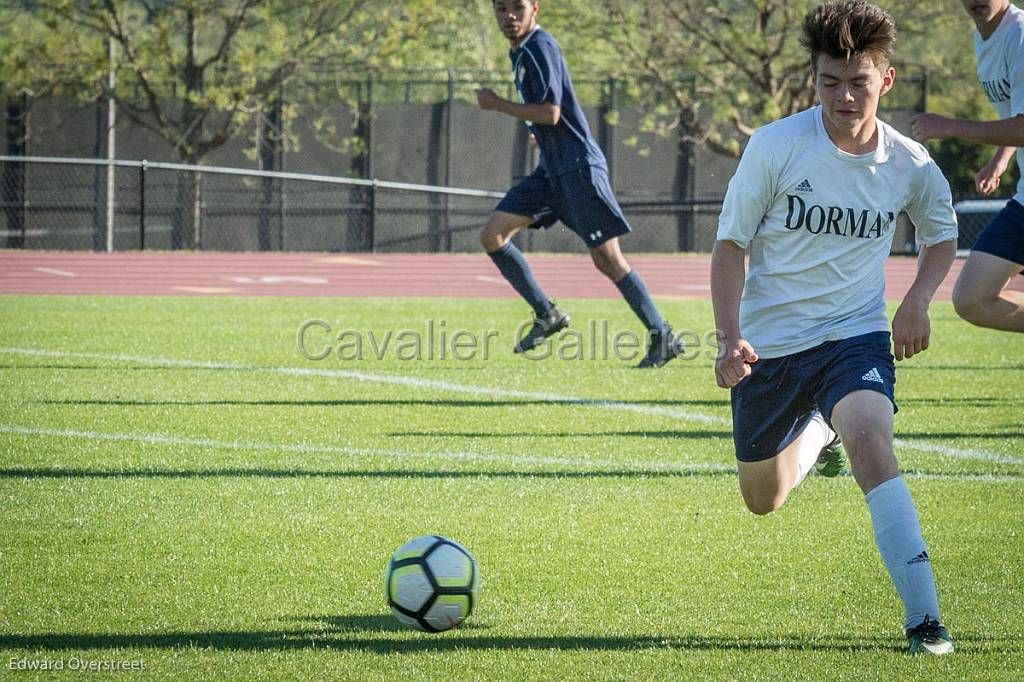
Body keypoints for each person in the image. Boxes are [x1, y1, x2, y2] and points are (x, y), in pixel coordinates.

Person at [710, 0, 957, 655]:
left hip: (855, 338)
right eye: (829, 82)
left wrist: (918, 300)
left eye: (859, 81)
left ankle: (925, 620)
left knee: (873, 443)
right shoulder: (774, 146)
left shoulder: (910, 164)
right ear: (812, 79)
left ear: (887, 79)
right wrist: (728, 338)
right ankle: (818, 429)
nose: (844, 96)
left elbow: (941, 235)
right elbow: (731, 246)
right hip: (772, 347)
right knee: (762, 500)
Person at [476, 0, 682, 367]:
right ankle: (546, 313)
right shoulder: (521, 51)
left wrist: (498, 105)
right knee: (493, 235)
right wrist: (538, 132)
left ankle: (661, 334)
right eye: (501, 7)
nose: (509, 15)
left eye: (518, 7)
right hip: (551, 170)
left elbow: (551, 111)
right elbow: (548, 115)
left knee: (608, 259)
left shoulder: (540, 46)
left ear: (535, 8)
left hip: (578, 169)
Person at [909, 0, 1024, 333]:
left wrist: (950, 125)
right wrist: (1000, 160)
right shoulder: (986, 36)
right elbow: (1014, 112)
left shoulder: (1019, 36)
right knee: (973, 298)